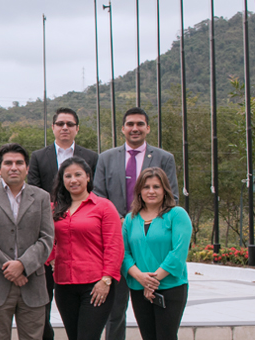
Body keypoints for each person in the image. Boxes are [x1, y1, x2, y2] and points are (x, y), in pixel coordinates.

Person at [94, 107, 178, 340]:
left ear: (148, 128)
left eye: (140, 124)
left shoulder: (164, 158)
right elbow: (99, 197)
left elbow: (173, 199)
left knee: (157, 313)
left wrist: (141, 221)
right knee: (115, 309)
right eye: (130, 124)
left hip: (152, 244)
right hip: (115, 243)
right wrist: (119, 222)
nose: (135, 128)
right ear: (122, 129)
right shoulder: (106, 158)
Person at [26, 107, 99, 340]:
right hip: (48, 233)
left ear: (77, 128)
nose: (65, 127)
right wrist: (54, 214)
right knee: (43, 304)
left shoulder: (92, 157)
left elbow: (94, 194)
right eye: (60, 123)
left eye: (69, 124)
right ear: (53, 127)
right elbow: (35, 192)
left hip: (81, 234)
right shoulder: (38, 156)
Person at [0, 143, 54, 340]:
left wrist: (23, 265)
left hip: (32, 282)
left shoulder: (41, 197)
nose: (14, 167)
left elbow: (47, 238)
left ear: (27, 167)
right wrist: (10, 268)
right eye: (8, 163)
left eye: (19, 163)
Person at [50, 157, 123, 340]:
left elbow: (114, 245)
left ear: (88, 177)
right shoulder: (55, 209)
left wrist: (106, 280)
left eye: (78, 175)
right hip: (64, 284)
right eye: (68, 176)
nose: (73, 180)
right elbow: (46, 239)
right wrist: (48, 259)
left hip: (95, 285)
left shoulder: (103, 207)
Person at [122, 168, 191, 340]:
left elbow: (178, 252)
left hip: (170, 287)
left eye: (156, 187)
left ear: (165, 190)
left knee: (166, 336)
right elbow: (123, 253)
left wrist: (152, 282)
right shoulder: (130, 219)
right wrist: (141, 278)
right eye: (146, 187)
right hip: (139, 288)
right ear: (139, 191)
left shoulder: (176, 215)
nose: (151, 191)